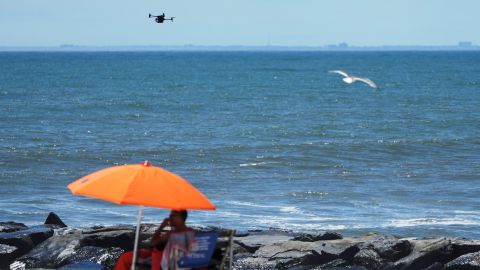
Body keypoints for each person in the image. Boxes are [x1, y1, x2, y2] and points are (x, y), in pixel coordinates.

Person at [114, 210, 194, 270]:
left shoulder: (175, 233)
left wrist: (162, 226)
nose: (170, 218)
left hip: (162, 259)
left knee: (126, 258)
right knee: (131, 255)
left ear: (181, 218)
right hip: (163, 256)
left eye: (173, 216)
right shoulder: (188, 232)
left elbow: (153, 243)